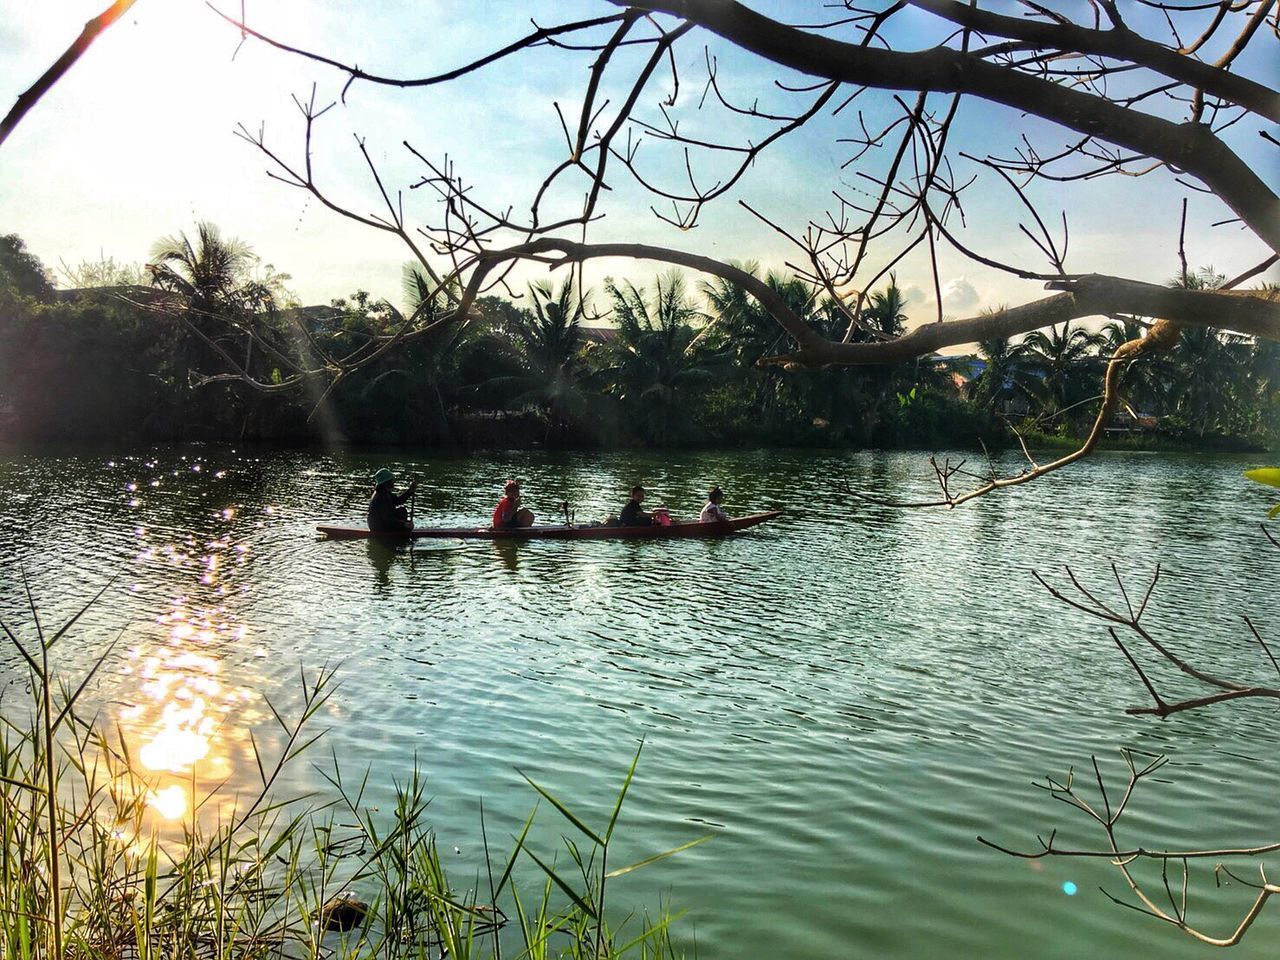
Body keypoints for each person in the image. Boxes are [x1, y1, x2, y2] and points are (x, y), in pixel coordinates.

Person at [367, 468, 417, 532]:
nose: (393, 482)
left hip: (383, 522)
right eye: (391, 480)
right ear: (386, 482)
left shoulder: (385, 492)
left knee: (402, 511)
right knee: (404, 523)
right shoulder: (380, 498)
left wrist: (410, 491)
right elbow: (388, 520)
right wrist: (404, 524)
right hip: (379, 527)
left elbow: (397, 501)